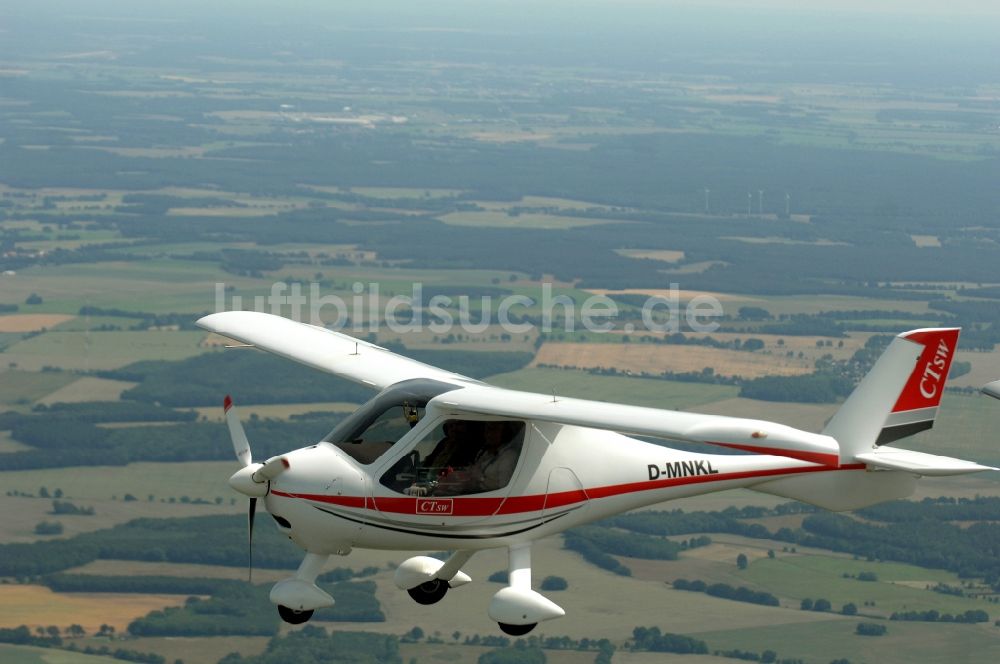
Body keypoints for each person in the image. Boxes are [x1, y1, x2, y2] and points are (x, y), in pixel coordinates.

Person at [468, 421, 523, 493]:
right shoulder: (485, 451)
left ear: (505, 433)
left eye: (495, 430)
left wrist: (481, 478)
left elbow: (503, 486)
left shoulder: (509, 456)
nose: (489, 433)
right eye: (487, 429)